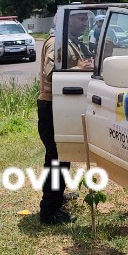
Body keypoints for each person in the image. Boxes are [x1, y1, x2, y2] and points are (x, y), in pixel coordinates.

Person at [37, 33, 90, 225]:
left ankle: (57, 197)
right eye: (81, 18)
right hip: (51, 106)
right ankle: (49, 211)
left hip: (57, 105)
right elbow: (50, 73)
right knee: (56, 159)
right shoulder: (56, 42)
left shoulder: (69, 40)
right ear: (69, 19)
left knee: (63, 155)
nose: (84, 22)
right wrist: (78, 69)